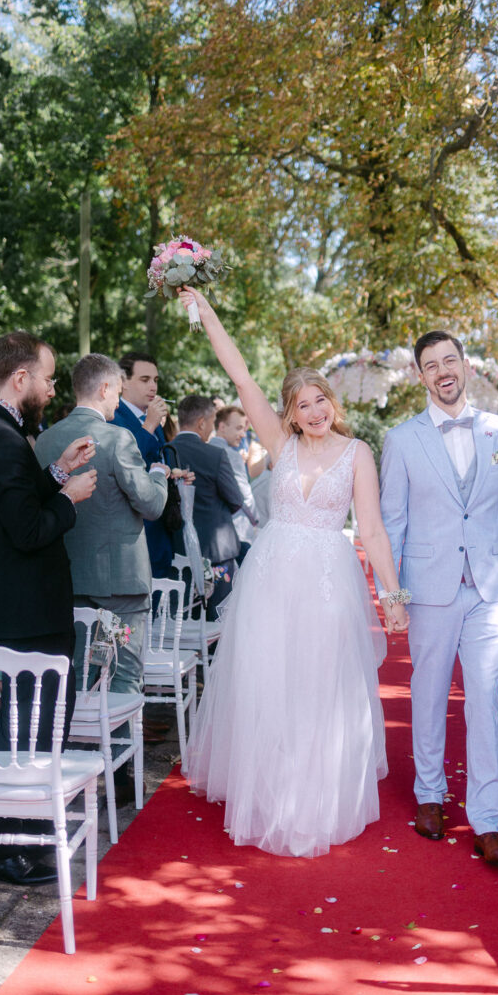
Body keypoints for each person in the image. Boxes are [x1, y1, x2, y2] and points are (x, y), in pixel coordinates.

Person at [178, 285, 408, 859]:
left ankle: (315, 801)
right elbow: (240, 377)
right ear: (289, 412)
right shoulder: (279, 443)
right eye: (303, 404)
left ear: (333, 402)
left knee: (319, 689)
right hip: (271, 582)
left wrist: (392, 594)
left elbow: (373, 531)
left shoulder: (358, 454)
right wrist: (206, 311)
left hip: (329, 583)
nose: (314, 412)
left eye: (320, 401)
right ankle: (272, 796)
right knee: (269, 686)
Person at [378, 330, 498, 868]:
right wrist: (391, 593)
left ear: (465, 367)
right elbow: (391, 522)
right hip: (429, 588)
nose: (442, 371)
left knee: (485, 701)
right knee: (429, 692)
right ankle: (429, 795)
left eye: (450, 360)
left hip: (489, 587)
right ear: (421, 376)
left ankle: (488, 821)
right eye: (430, 364)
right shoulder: (400, 440)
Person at [35, 354, 171, 801]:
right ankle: (119, 779)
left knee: (73, 676)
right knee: (124, 677)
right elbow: (150, 504)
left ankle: (70, 768)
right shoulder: (119, 439)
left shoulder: (44, 439)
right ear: (107, 389)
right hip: (121, 583)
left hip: (66, 578)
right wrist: (159, 474)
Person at [0, 331, 97, 886]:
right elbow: (27, 528)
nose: (55, 388)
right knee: (27, 728)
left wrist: (55, 471)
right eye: (50, 377)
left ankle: (19, 839)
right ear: (21, 377)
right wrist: (68, 498)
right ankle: (13, 848)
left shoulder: (7, 431)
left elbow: (19, 500)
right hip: (28, 608)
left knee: (30, 723)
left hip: (30, 605)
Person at [173, 395, 244, 612]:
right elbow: (236, 499)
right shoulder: (215, 454)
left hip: (178, 549)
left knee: (185, 620)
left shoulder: (166, 451)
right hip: (217, 552)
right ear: (202, 423)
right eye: (212, 422)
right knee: (219, 618)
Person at [112, 351, 174, 577]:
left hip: (158, 528)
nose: (153, 387)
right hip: (132, 532)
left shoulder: (152, 418)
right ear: (123, 382)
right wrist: (148, 426)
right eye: (145, 379)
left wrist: (172, 472)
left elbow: (153, 462)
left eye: (155, 380)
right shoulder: (113, 417)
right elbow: (122, 462)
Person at [210, 405, 259, 556]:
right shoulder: (232, 455)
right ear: (222, 427)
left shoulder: (205, 449)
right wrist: (256, 520)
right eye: (239, 428)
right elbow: (246, 496)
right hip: (238, 529)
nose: (243, 434)